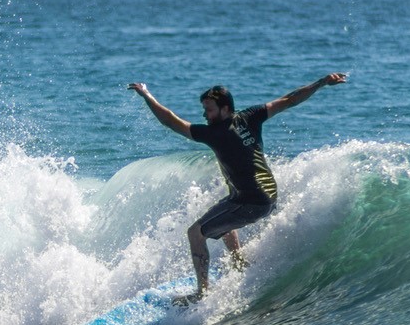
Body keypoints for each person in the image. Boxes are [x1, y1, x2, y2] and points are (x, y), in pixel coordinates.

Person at [127, 74, 348, 305]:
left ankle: (202, 294)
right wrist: (322, 83)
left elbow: (171, 121)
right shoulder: (250, 116)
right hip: (267, 195)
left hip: (251, 201)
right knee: (225, 210)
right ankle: (238, 262)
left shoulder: (213, 133)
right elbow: (290, 99)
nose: (205, 115)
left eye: (209, 110)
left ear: (224, 109)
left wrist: (146, 95)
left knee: (195, 233)